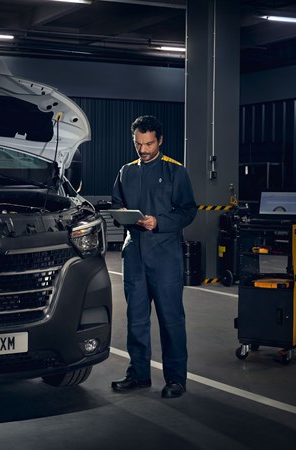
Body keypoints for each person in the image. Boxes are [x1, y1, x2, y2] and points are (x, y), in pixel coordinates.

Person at [110, 115, 197, 398]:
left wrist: (158, 222)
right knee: (136, 319)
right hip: (133, 252)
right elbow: (116, 205)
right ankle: (138, 375)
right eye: (138, 144)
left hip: (165, 255)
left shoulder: (176, 172)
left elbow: (187, 211)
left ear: (159, 140)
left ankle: (176, 379)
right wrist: (124, 216)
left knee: (171, 319)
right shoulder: (126, 171)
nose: (143, 149)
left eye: (148, 143)